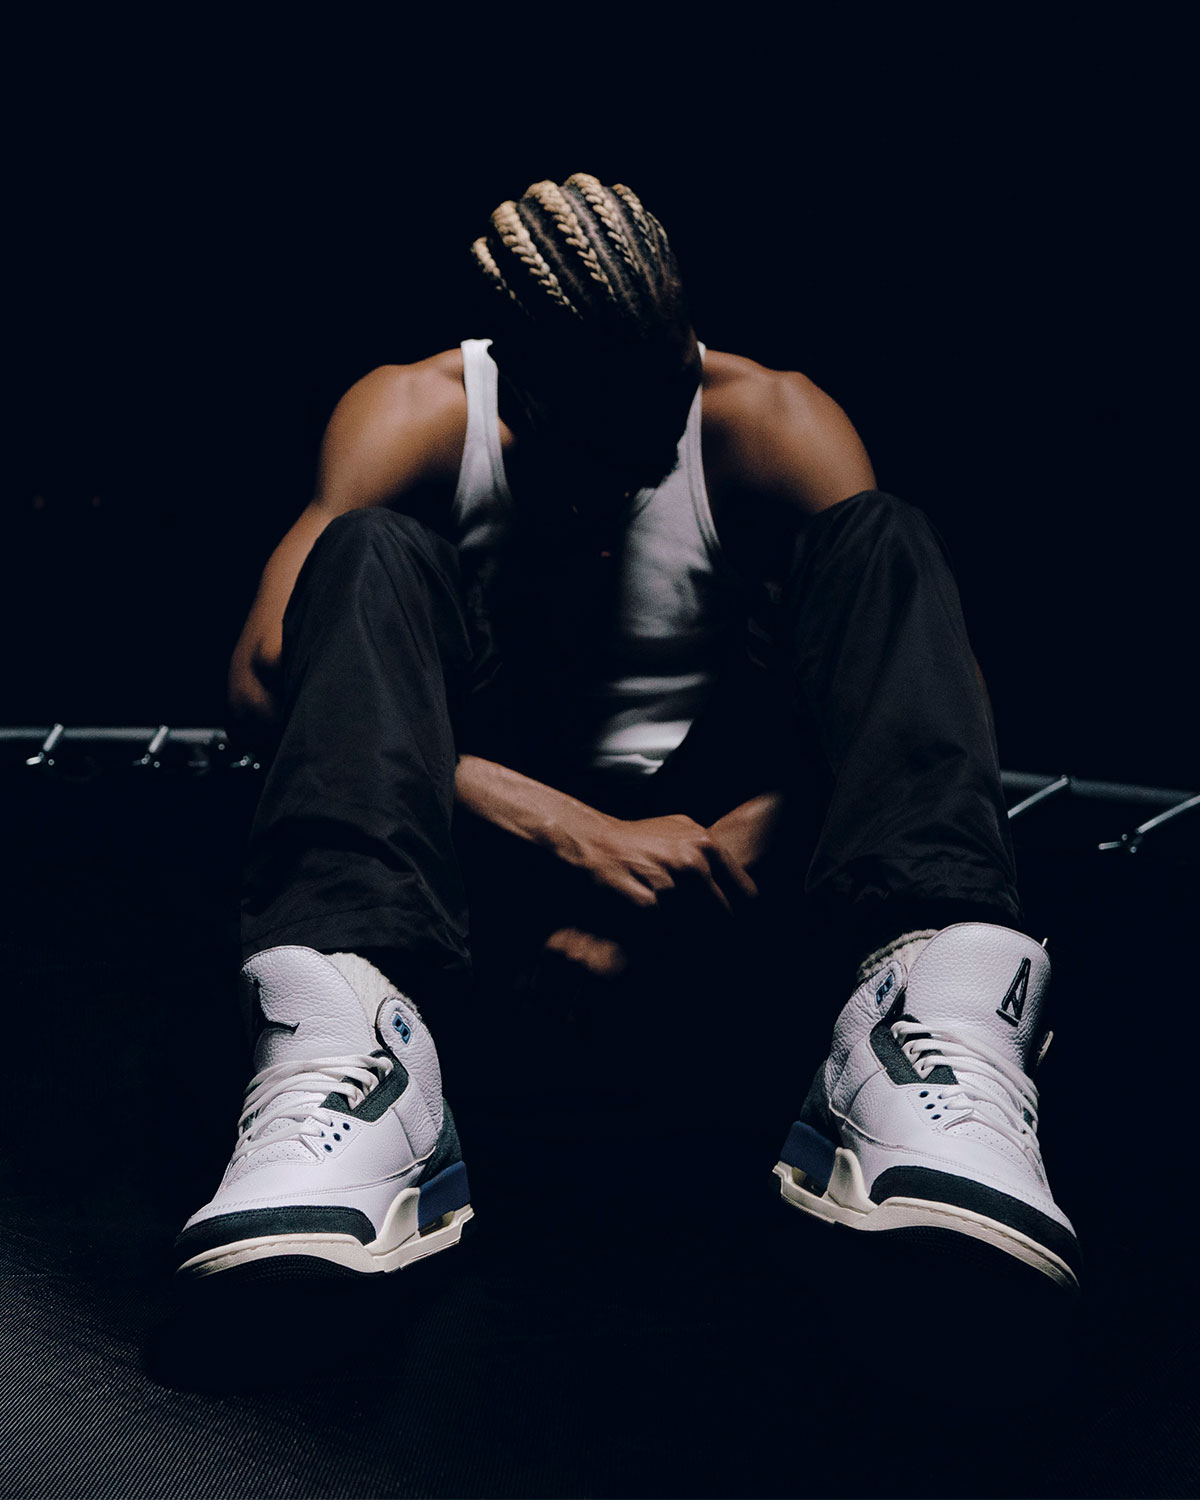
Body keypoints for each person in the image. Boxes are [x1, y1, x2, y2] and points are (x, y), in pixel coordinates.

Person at [174, 173, 1079, 1291]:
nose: (649, 454)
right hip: (476, 868)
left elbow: (925, 710)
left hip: (724, 861)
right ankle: (345, 1056)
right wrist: (569, 834)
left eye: (667, 404)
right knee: (366, 554)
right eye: (608, 435)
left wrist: (715, 845)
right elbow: (262, 687)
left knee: (883, 541)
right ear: (519, 389)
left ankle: (935, 1029)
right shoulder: (413, 414)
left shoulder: (773, 419)